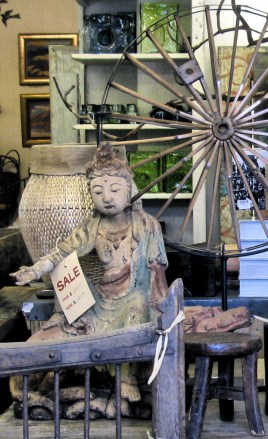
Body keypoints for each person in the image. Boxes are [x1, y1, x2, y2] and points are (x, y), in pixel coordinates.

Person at [10, 143, 168, 418]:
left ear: (128, 190)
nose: (107, 198)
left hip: (134, 295)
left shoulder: (146, 224)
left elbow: (157, 271)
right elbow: (59, 253)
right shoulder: (92, 226)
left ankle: (127, 381)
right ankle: (67, 378)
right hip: (101, 298)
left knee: (137, 305)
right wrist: (34, 271)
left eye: (115, 190)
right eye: (97, 191)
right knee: (67, 321)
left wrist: (164, 303)